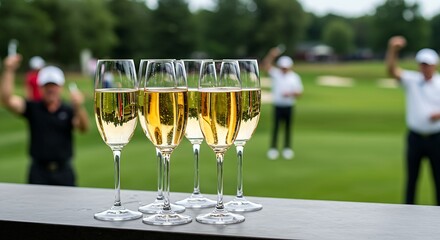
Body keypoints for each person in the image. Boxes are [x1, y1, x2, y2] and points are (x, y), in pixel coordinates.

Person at [0, 54, 89, 186]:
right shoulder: (32, 107)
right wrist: (9, 70)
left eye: (54, 85)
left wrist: (79, 107)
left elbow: (83, 127)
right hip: (38, 172)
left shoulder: (68, 110)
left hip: (64, 172)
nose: (51, 89)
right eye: (47, 85)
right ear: (40, 87)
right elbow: (7, 100)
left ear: (60, 87)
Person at [386, 36, 440, 205]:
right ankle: (407, 217)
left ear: (434, 65)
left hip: (436, 138)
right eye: (422, 64)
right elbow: (391, 70)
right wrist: (392, 49)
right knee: (411, 180)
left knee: (438, 180)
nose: (425, 68)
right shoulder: (412, 80)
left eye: (428, 64)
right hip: (415, 137)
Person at [262, 47, 304, 160]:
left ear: (289, 67)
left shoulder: (295, 77)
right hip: (278, 105)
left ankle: (287, 148)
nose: (284, 69)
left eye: (285, 67)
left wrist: (290, 94)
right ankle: (273, 149)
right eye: (282, 67)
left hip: (289, 105)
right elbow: (266, 65)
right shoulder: (276, 74)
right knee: (275, 128)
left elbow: (299, 93)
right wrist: (271, 54)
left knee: (287, 128)